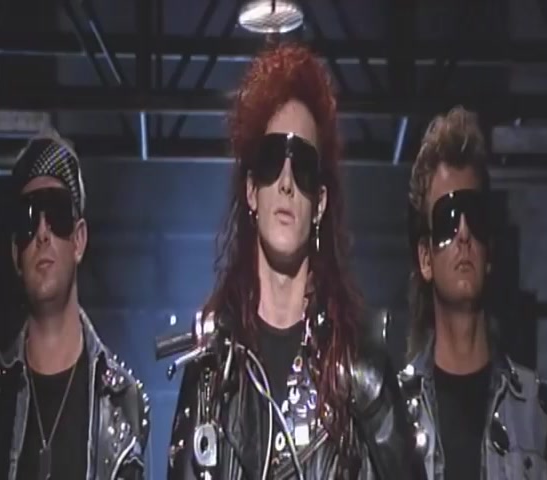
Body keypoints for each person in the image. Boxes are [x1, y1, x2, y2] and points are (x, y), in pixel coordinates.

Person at [163, 43, 420, 479]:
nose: (285, 182)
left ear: (320, 202)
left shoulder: (360, 368)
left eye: (302, 166)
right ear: (251, 191)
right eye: (271, 161)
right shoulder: (211, 369)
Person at [0, 129, 150, 480]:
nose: (42, 232)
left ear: (79, 240)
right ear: (16, 252)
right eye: (28, 219)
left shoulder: (123, 402)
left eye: (56, 213)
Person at [398, 106, 547, 479]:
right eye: (447, 220)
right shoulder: (396, 413)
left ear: (490, 251)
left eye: (474, 216)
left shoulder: (533, 408)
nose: (463, 234)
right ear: (425, 258)